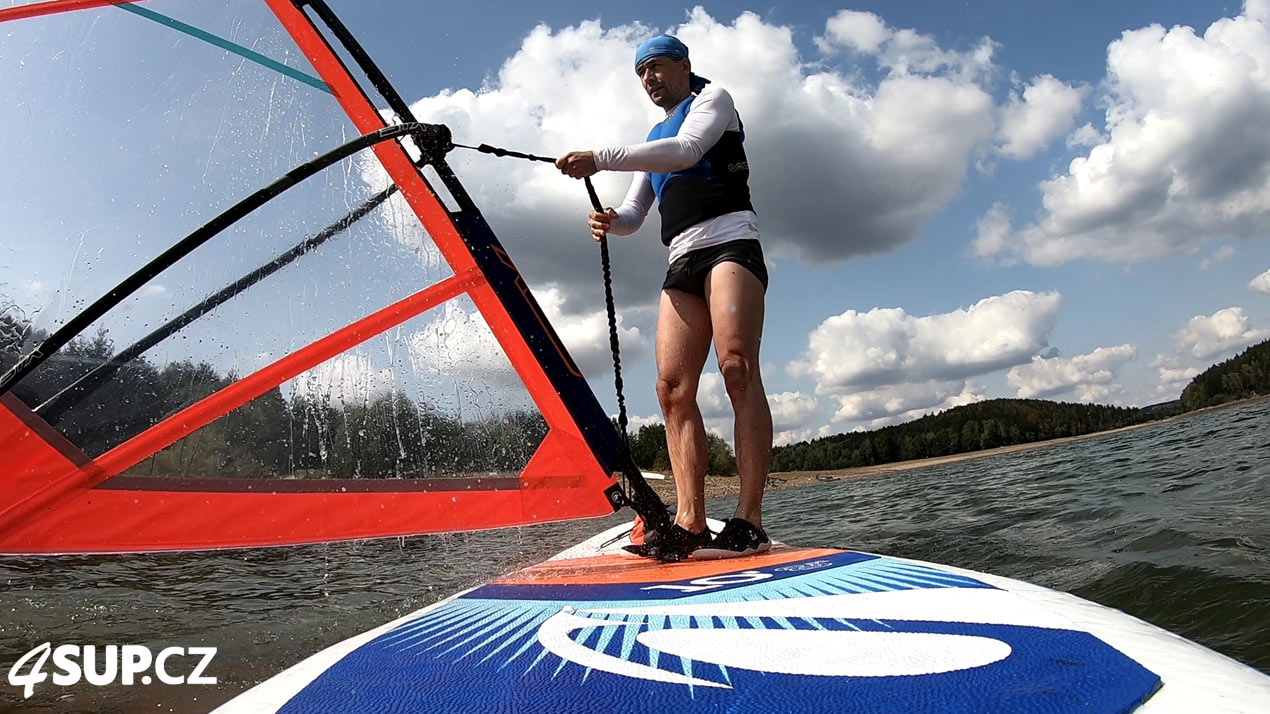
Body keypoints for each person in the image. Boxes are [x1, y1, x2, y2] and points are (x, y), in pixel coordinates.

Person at [557, 35, 773, 562]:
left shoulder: (713, 100)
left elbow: (688, 151)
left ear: (684, 65)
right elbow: (636, 215)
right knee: (671, 388)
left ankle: (749, 520)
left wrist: (602, 158)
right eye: (641, 74)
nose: (649, 79)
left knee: (736, 366)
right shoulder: (652, 136)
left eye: (655, 67)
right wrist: (614, 221)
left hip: (730, 243)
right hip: (681, 258)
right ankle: (691, 521)